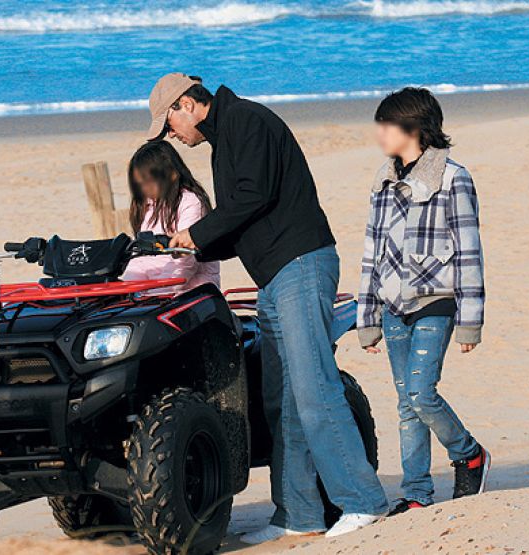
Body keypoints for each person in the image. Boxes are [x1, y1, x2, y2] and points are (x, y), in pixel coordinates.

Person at [145, 73, 389, 541]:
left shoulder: (246, 120)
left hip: (301, 265)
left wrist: (197, 235)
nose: (171, 136)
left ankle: (364, 502)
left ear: (187, 104)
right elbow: (243, 220)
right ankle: (298, 514)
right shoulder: (225, 138)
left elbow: (252, 196)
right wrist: (190, 249)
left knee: (315, 389)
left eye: (169, 123)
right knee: (283, 400)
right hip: (273, 279)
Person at [358, 87, 491, 516]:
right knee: (404, 404)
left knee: (421, 393)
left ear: (413, 128)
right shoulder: (383, 181)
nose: (380, 133)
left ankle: (468, 453)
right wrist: (368, 317)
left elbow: (470, 251)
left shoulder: (454, 178)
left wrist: (471, 320)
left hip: (437, 299)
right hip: (392, 305)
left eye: (387, 125)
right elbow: (371, 250)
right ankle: (417, 494)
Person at [121, 140, 220, 295]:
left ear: (172, 174)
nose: (144, 189)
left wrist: (159, 293)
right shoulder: (148, 207)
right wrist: (129, 288)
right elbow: (140, 259)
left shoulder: (191, 203)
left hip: (191, 291)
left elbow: (185, 261)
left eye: (148, 183)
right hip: (155, 291)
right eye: (139, 184)